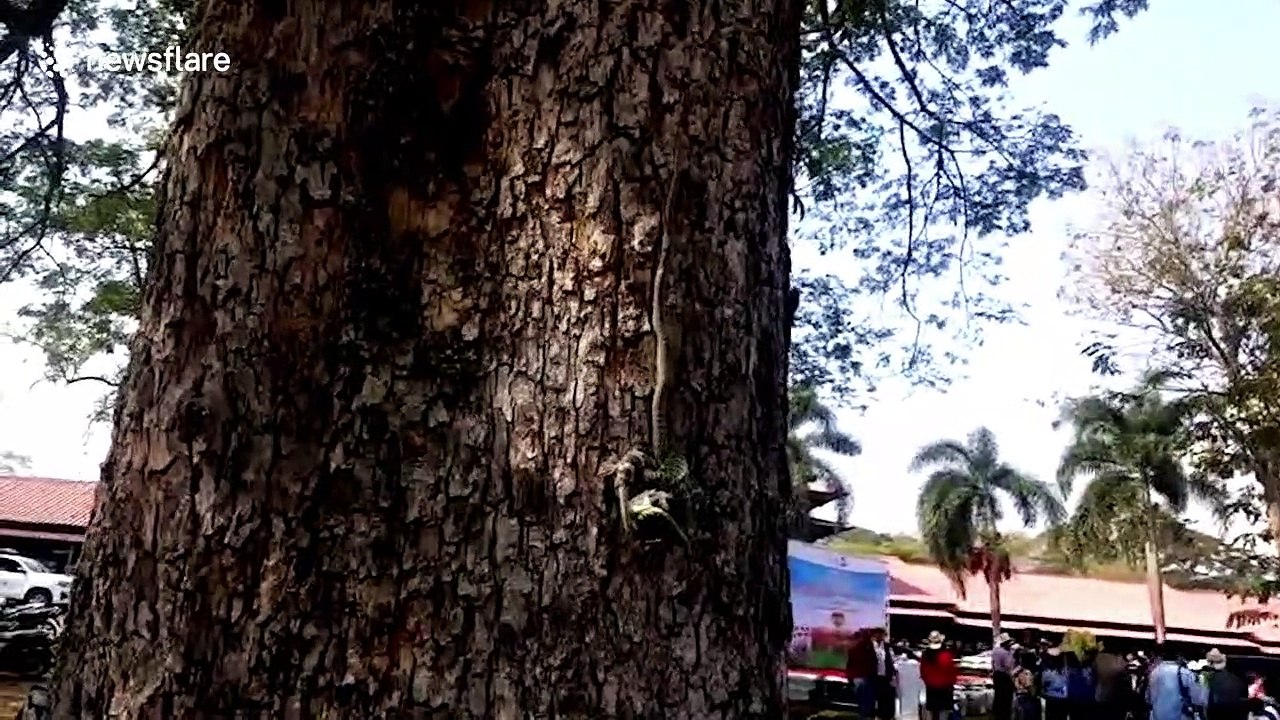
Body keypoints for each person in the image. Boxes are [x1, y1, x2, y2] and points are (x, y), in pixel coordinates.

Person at [1147, 644, 1208, 720]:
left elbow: (1148, 698)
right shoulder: (1184, 673)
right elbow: (1198, 699)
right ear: (1179, 656)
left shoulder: (1154, 672)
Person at [846, 627, 896, 719]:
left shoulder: (887, 647)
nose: (880, 636)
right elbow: (853, 663)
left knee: (885, 707)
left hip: (885, 679)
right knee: (867, 706)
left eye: (882, 634)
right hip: (871, 679)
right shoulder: (866, 646)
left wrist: (892, 676)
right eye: (877, 633)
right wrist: (851, 679)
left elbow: (889, 662)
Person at [919, 631, 958, 720]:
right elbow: (951, 671)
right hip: (945, 687)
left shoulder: (925, 654)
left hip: (931, 687)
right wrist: (952, 682)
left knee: (932, 710)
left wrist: (927, 681)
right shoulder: (946, 654)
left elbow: (922, 671)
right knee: (943, 711)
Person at [1202, 649, 1249, 720]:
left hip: (1218, 714)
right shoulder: (1239, 680)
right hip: (1235, 714)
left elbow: (1206, 701)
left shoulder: (1210, 678)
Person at [1092, 646, 1132, 720]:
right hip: (1114, 700)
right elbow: (1125, 682)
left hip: (1100, 698)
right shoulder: (1119, 660)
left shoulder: (1097, 658)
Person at [992, 633, 1018, 720]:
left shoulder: (995, 651)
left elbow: (992, 663)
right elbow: (1008, 667)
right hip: (1004, 676)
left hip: (996, 675)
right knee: (1006, 698)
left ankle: (997, 714)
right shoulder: (1007, 653)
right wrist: (1013, 679)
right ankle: (1004, 715)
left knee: (998, 695)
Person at [1041, 648, 1069, 720]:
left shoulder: (1046, 672)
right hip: (1062, 700)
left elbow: (1043, 687)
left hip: (1051, 700)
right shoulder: (1066, 670)